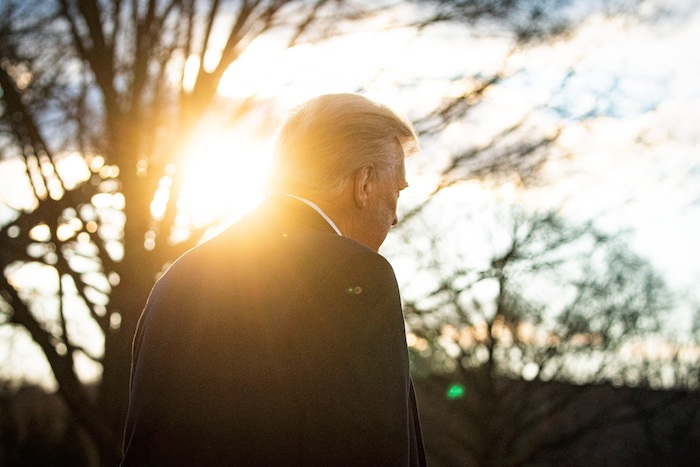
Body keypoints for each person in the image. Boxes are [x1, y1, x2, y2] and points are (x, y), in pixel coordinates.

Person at [121, 93, 426, 466]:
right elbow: (367, 448)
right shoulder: (355, 273)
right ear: (363, 183)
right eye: (396, 190)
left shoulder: (179, 276)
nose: (394, 217)